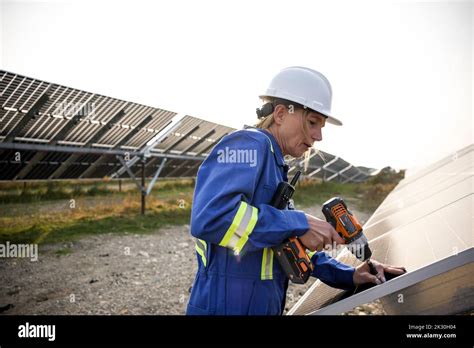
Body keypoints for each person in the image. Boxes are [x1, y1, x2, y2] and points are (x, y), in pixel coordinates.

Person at [186, 66, 406, 315]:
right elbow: (212, 218)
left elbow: (288, 243)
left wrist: (352, 275)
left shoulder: (275, 163)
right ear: (280, 114)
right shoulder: (248, 144)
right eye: (312, 122)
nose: (319, 136)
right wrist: (299, 222)